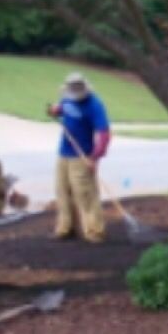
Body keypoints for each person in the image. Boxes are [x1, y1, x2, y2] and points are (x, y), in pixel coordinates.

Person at [46, 72, 111, 242]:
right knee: (62, 191)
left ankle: (95, 231)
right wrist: (55, 111)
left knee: (85, 194)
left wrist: (95, 157)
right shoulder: (67, 98)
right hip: (64, 152)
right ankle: (65, 228)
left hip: (82, 156)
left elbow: (104, 134)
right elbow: (62, 109)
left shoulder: (94, 105)